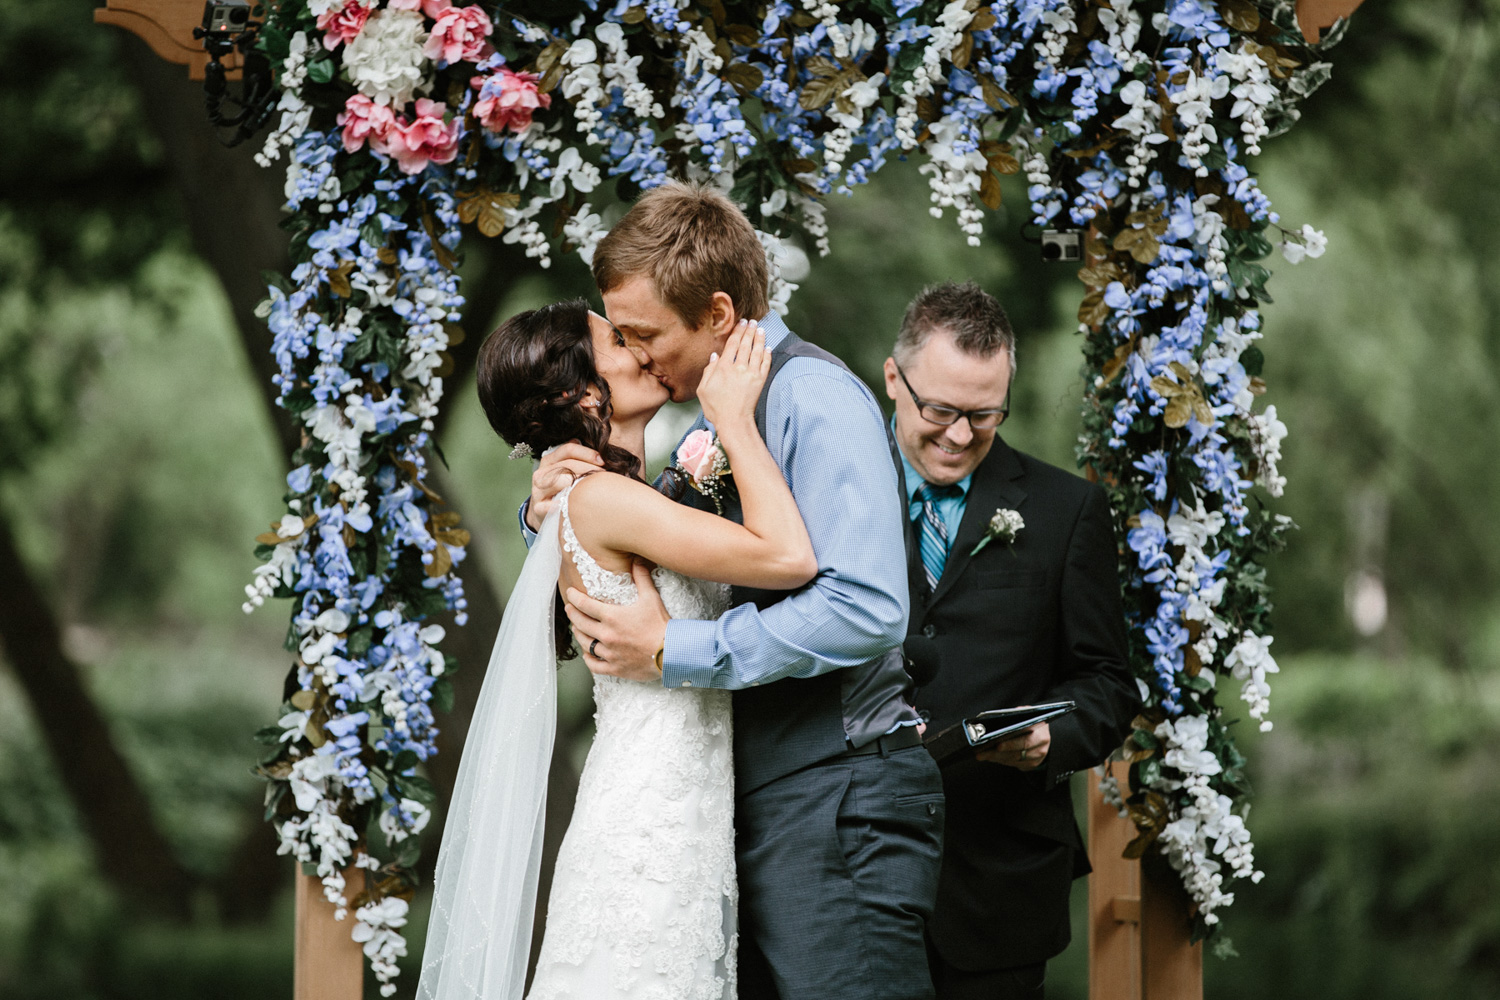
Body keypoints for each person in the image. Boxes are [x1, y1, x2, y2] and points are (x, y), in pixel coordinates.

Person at [529, 182, 946, 1000]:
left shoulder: (811, 399)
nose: (636, 356)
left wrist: (673, 651)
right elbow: (664, 555)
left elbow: (867, 605)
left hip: (837, 795)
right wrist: (551, 510)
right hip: (750, 799)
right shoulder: (715, 422)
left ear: (718, 316)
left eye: (646, 335)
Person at [417, 303, 819, 1000]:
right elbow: (786, 555)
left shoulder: (623, 495)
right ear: (581, 392)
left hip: (683, 806)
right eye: (618, 338)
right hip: (647, 824)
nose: (640, 345)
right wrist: (736, 424)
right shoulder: (602, 501)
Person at [885, 282, 1139, 1000]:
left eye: (984, 415)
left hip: (997, 888)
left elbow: (1107, 685)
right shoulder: (825, 493)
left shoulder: (1067, 511)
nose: (960, 436)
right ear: (892, 381)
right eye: (940, 410)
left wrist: (1047, 741)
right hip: (843, 877)